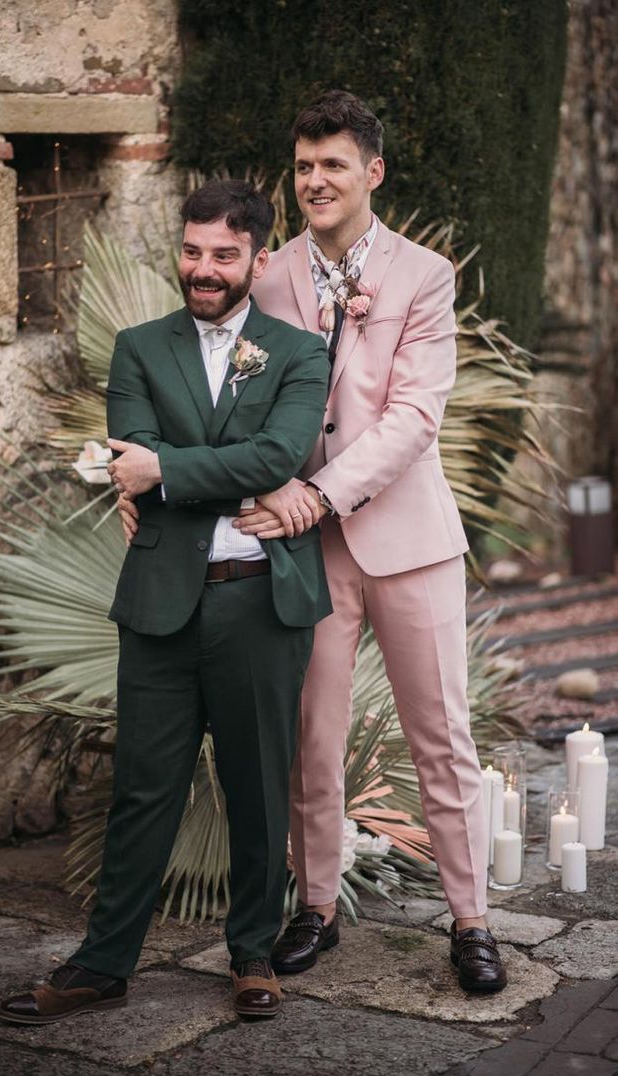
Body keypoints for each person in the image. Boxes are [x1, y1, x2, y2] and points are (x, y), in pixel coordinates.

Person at [121, 90, 507, 994]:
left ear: (373, 172)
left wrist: (315, 495)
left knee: (441, 735)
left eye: (335, 164)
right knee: (310, 737)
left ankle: (471, 917)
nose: (316, 181)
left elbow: (414, 417)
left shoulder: (425, 275)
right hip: (301, 555)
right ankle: (317, 909)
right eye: (303, 166)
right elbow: (214, 397)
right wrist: (155, 487)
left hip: (406, 540)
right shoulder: (271, 271)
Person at [0, 180, 331, 1025]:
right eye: (192, 251)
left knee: (259, 788)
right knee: (144, 789)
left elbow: (280, 453)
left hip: (261, 605)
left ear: (259, 257)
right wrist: (228, 474)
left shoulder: (298, 352)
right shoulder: (140, 346)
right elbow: (132, 460)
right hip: (160, 602)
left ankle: (253, 955)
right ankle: (103, 963)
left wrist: (174, 473)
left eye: (224, 255)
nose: (204, 269)